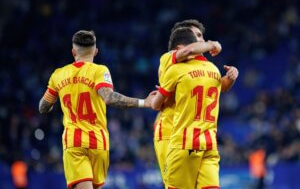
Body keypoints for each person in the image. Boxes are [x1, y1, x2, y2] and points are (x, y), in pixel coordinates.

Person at [38, 30, 154, 189]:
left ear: (73, 52)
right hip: (99, 143)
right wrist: (144, 103)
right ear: (96, 51)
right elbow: (109, 98)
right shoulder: (100, 71)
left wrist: (51, 105)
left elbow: (43, 107)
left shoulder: (58, 75)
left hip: (74, 142)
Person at [151, 27, 239, 188]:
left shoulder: (182, 69)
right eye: (198, 37)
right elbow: (190, 51)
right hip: (181, 135)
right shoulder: (170, 59)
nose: (202, 41)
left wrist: (231, 77)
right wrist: (214, 45)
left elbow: (155, 105)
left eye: (203, 37)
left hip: (184, 138)